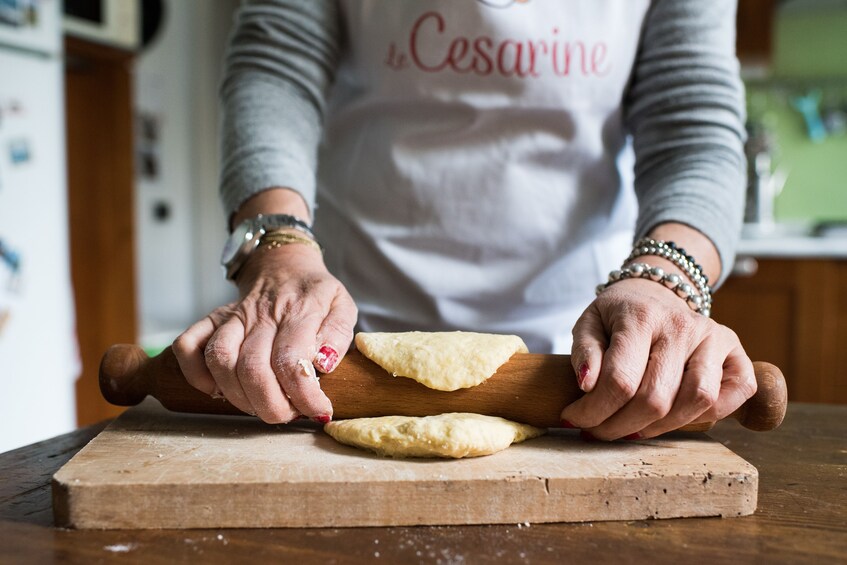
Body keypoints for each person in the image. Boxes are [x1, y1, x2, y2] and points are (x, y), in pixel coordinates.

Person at [173, 0, 757, 441]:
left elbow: (693, 124)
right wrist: (278, 245)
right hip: (339, 345)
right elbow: (276, 66)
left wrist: (663, 280)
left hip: (582, 355)